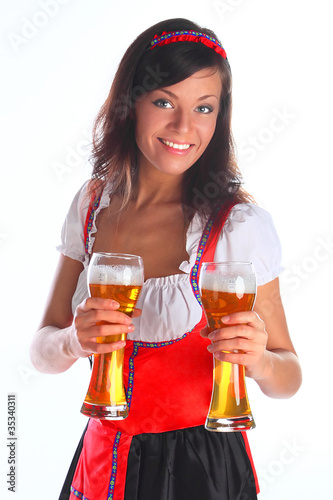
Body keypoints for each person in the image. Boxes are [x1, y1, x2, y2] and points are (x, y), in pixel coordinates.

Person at [30, 17, 302, 500]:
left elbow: (288, 377)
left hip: (204, 468)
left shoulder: (238, 226)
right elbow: (41, 351)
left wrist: (259, 360)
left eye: (203, 107)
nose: (183, 127)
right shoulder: (93, 204)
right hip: (104, 459)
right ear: (130, 104)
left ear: (220, 117)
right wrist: (74, 339)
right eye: (163, 102)